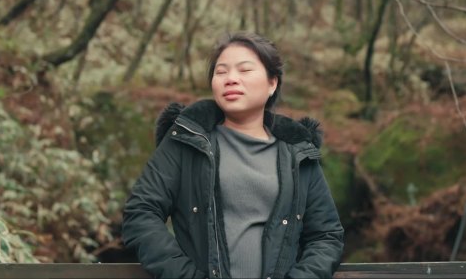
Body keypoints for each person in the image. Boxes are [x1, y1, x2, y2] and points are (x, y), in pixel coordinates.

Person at [122, 32, 344, 278]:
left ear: (273, 83)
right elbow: (141, 212)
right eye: (221, 72)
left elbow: (326, 236)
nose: (231, 79)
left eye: (245, 70)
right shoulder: (186, 141)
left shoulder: (298, 153)